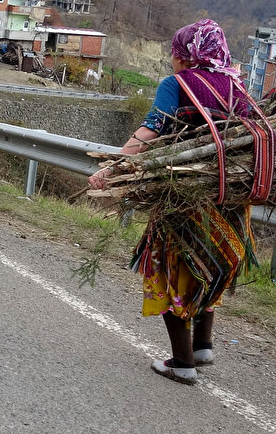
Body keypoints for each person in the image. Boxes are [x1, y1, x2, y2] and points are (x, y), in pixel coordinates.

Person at [88, 19, 260, 385]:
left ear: (186, 56)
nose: (172, 59)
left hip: (184, 196)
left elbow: (152, 129)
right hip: (229, 199)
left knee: (171, 268)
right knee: (210, 264)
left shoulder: (177, 84)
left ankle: (182, 362)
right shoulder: (238, 88)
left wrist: (112, 168)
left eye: (175, 52)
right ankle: (203, 345)